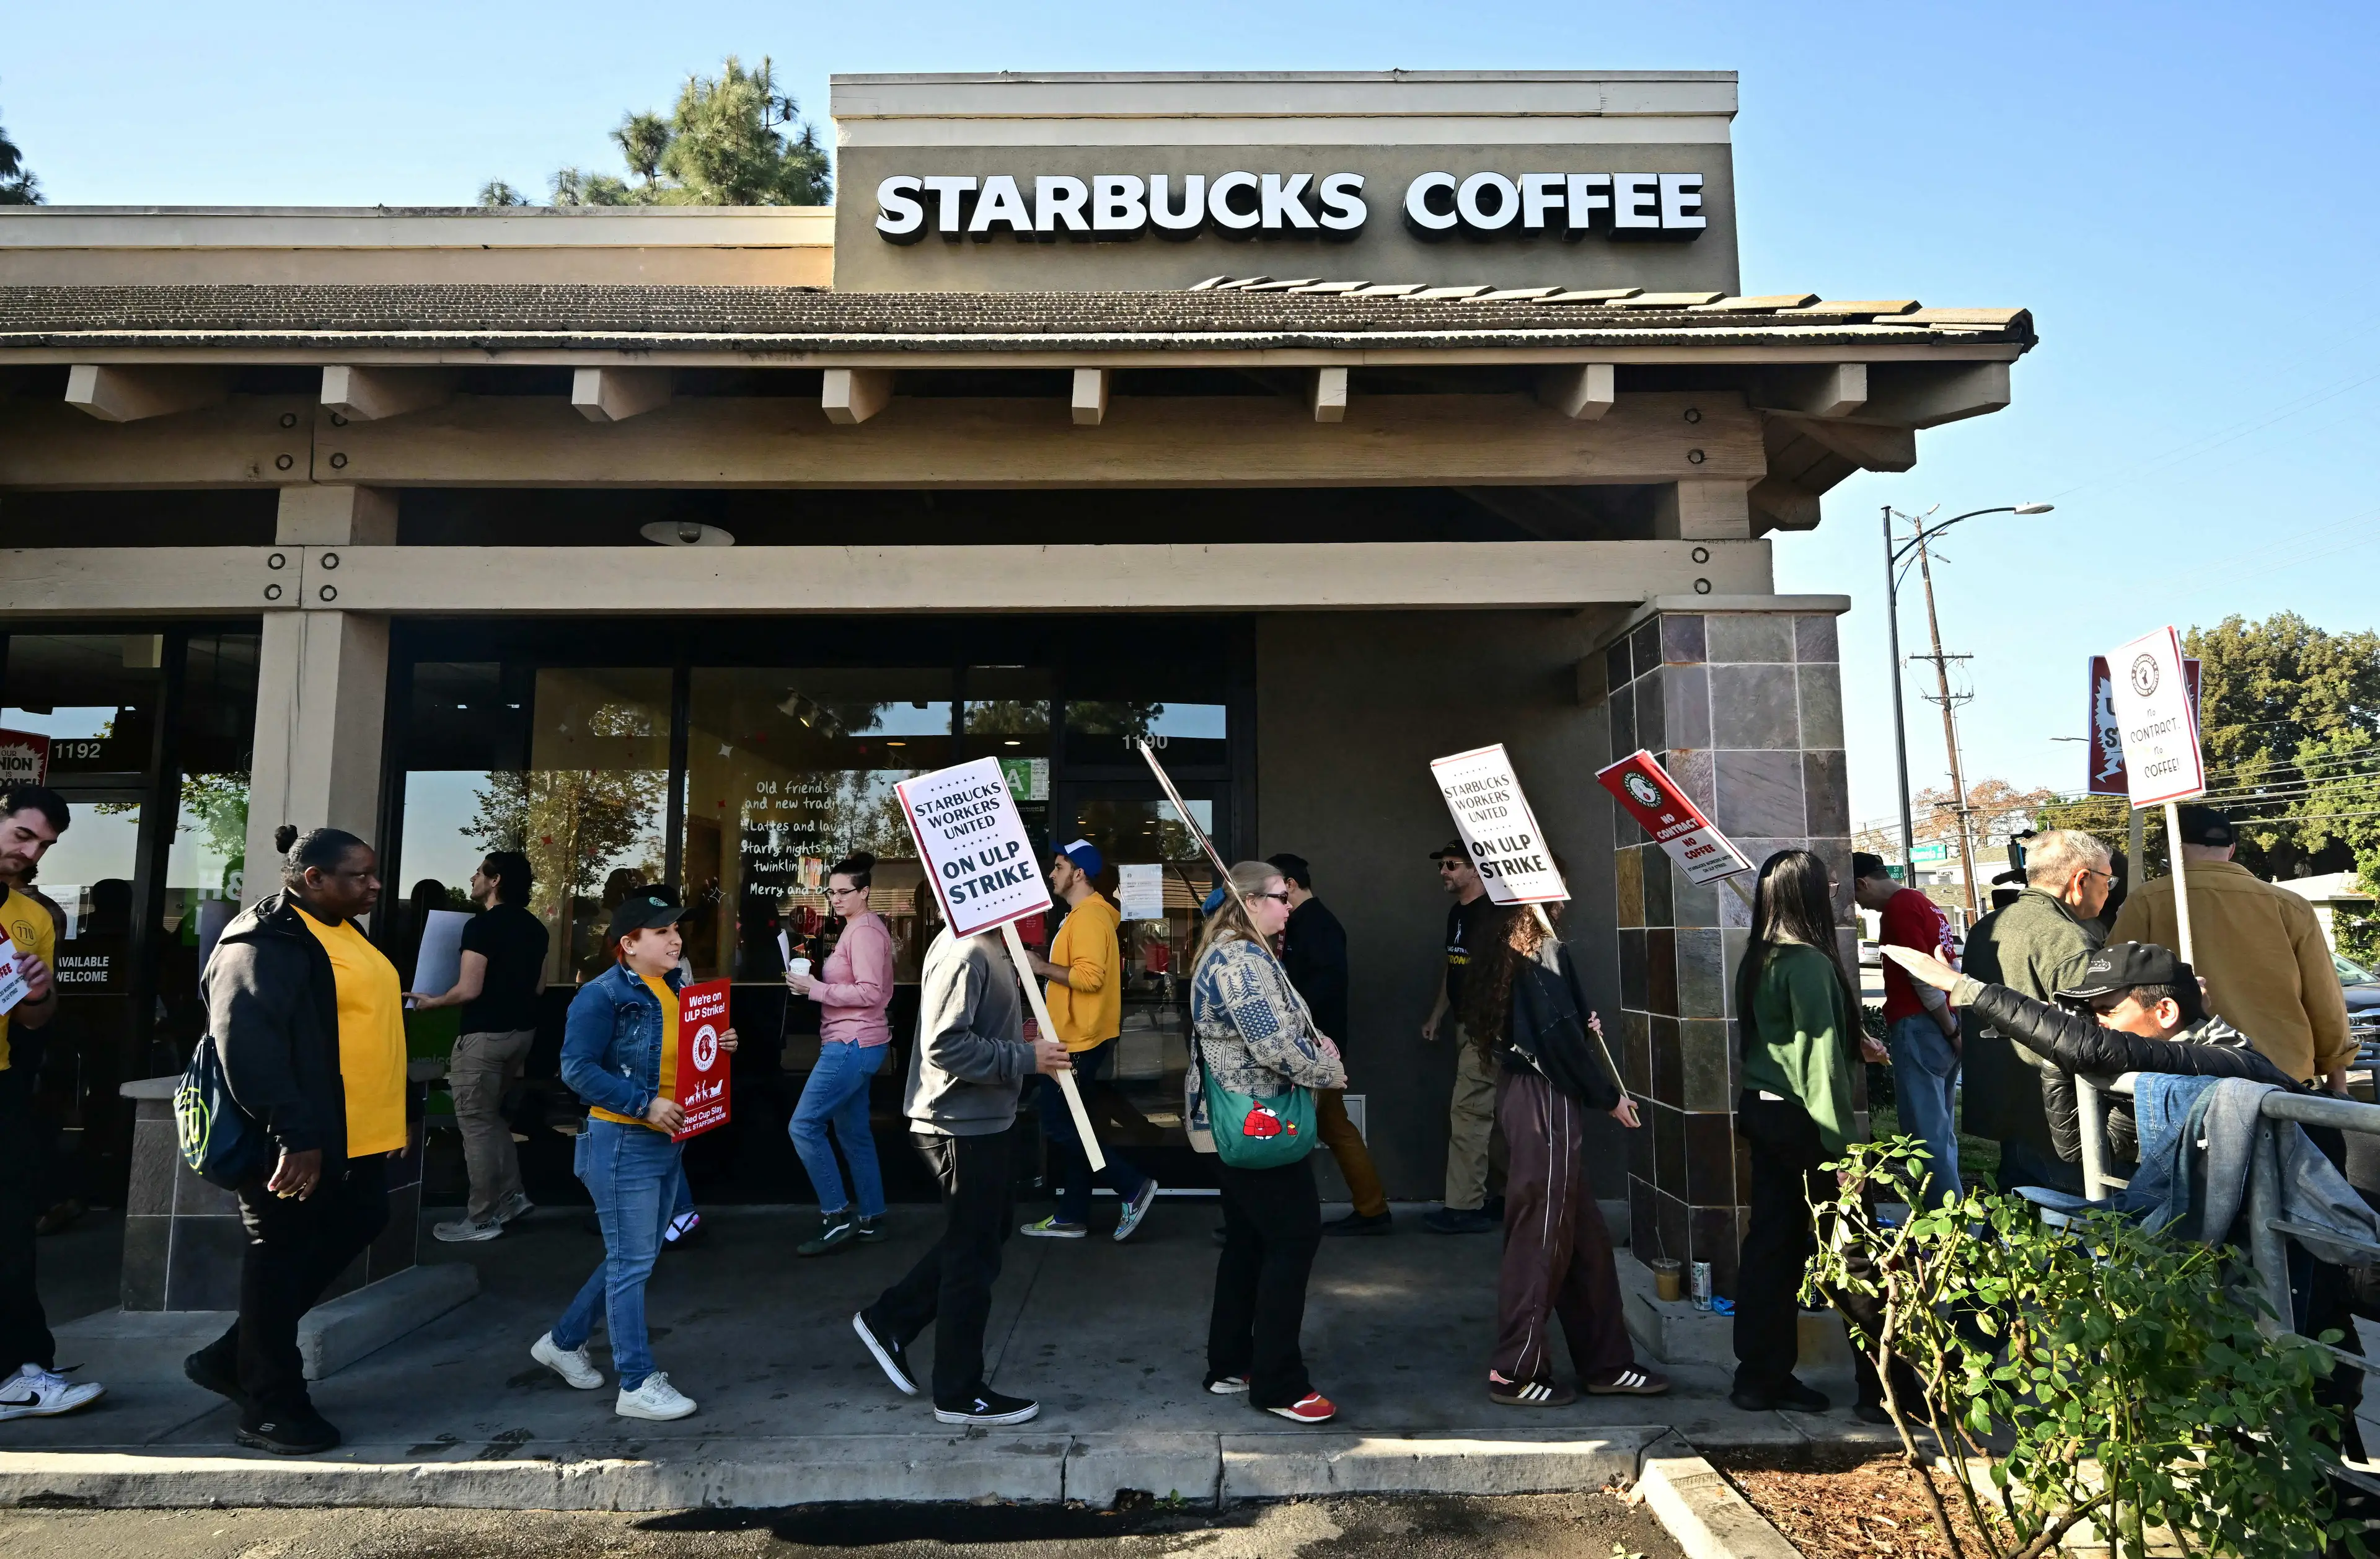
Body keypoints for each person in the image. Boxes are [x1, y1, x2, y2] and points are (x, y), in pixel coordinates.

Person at [185, 825, 407, 1454]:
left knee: (364, 1215)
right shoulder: (264, 941)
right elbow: (247, 1046)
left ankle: (234, 1356)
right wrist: (294, 1133)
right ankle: (270, 1407)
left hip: (349, 1137)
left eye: (373, 873)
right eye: (359, 876)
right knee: (277, 1260)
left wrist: (396, 1112)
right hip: (291, 1140)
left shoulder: (336, 929)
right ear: (313, 878)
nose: (374, 886)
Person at [852, 922, 1071, 1426]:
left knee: (982, 1237)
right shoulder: (966, 948)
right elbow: (945, 1046)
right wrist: (1025, 1057)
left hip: (983, 1120)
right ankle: (957, 1390)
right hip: (958, 1124)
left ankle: (890, 1317)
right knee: (973, 1255)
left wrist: (1022, 1040)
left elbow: (977, 1030)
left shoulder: (991, 945)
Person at [530, 893, 736, 1421]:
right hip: (623, 1140)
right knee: (633, 1261)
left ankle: (564, 1340)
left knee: (634, 1255)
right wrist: (645, 1103)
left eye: (676, 929)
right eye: (662, 931)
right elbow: (576, 1069)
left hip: (666, 1140)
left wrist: (717, 1041)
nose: (676, 939)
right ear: (629, 944)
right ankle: (637, 1381)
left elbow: (680, 1057)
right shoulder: (601, 996)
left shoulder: (674, 988)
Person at [1461, 901, 1667, 1405]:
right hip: (1545, 1098)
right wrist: (1607, 1095)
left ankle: (1607, 1362)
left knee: (1584, 1240)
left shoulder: (1502, 944)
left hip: (1528, 1093)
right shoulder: (1542, 947)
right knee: (1543, 1234)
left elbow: (1545, 1024)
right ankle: (1517, 1369)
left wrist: (1577, 1021)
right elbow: (1555, 1039)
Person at [1732, 848, 1900, 1424]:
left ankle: (1760, 1377)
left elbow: (1783, 1039)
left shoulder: (1759, 956)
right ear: (1807, 895)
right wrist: (1847, 1151)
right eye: (1827, 885)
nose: (1836, 892)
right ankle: (1888, 1392)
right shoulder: (1809, 962)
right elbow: (1819, 1064)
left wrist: (1853, 1037)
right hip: (1808, 1120)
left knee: (1770, 1247)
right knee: (1855, 1251)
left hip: (1762, 1110)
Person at [1192, 861, 1348, 1423]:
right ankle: (1279, 1382)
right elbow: (1272, 1046)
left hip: (1242, 1126)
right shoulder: (1240, 958)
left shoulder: (1241, 952)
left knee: (1248, 1243)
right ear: (1252, 901)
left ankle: (1231, 1362)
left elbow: (1288, 1024)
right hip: (1261, 1124)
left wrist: (1318, 1041)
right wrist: (1326, 1072)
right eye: (1281, 897)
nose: (1290, 906)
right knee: (1294, 1238)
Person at [2109, 805, 2353, 1092]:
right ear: (2232, 849)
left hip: (2187, 1075)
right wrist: (2337, 1078)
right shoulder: (2290, 905)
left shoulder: (2147, 901)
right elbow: (2324, 997)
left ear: (2169, 849)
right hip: (2284, 1075)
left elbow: (2114, 988)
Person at [0, 787, 102, 1425]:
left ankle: (22, 1368)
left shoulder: (30, 916)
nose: (31, 854)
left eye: (44, 846)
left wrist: (37, 991)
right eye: (22, 836)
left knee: (11, 1229)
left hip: (4, 1080)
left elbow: (37, 1016)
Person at [1020, 840, 1160, 1242]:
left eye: (1059, 865)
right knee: (1075, 1126)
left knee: (1061, 1125)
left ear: (1078, 873)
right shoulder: (1085, 916)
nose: (1052, 873)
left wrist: (1043, 966)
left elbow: (1089, 977)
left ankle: (1133, 1186)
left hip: (1076, 1041)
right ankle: (1071, 1214)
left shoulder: (1089, 918)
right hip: (1074, 1037)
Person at [1957, 829, 2110, 1189]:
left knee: (2016, 1216)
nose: (2110, 888)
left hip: (2003, 1098)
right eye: (2108, 878)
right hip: (2057, 1115)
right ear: (2082, 879)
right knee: (2069, 1224)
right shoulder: (2068, 938)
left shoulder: (1986, 928)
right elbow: (2091, 1034)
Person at [410, 850, 548, 1243]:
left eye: (479, 872)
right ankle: (512, 1197)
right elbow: (537, 988)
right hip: (521, 1035)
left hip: (483, 1037)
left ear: (495, 880)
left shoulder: (481, 927)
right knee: (491, 1120)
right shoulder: (536, 928)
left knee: (475, 1126)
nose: (472, 877)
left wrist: (433, 1001)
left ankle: (482, 1218)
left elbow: (469, 989)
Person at [1269, 853, 1390, 1237]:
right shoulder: (1304, 923)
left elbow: (1327, 983)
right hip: (1313, 1043)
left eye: (1272, 888)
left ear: (1288, 885)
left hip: (1316, 1045)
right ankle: (1371, 1208)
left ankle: (1370, 1210)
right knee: (1328, 1126)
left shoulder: (1317, 924)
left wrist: (1297, 1023)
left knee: (1317, 1127)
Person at [787, 852, 896, 1257]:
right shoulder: (859, 927)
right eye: (830, 891)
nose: (835, 898)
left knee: (803, 1126)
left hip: (851, 1044)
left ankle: (838, 1215)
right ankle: (872, 1217)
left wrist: (813, 988)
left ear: (865, 891)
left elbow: (870, 992)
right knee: (853, 1132)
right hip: (858, 1043)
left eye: (843, 891)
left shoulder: (864, 931)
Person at [1850, 852, 1962, 1206]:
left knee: (1924, 1136)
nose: (1861, 906)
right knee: (1941, 1133)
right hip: (1942, 1022)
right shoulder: (1924, 903)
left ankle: (1945, 1231)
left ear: (1862, 883)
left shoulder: (1898, 908)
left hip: (1922, 1024)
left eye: (1857, 897)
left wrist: (1950, 1031)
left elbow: (1922, 974)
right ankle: (1956, 1218)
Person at [1422, 842, 1500, 1234]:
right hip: (1463, 1025)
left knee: (1469, 1111)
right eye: (1442, 865)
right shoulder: (1457, 913)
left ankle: (1465, 1207)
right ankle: (1495, 1197)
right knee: (1484, 1110)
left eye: (1451, 865)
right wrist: (1439, 1012)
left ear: (1476, 869)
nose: (1444, 872)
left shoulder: (1496, 915)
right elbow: (1453, 968)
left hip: (1487, 1031)